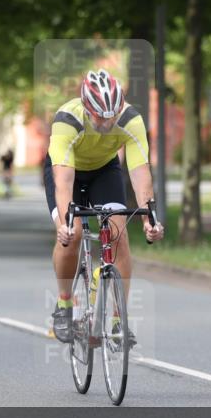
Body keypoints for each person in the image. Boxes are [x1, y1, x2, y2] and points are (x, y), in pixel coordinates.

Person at [45, 69, 164, 343]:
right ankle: (64, 305)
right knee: (71, 234)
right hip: (66, 169)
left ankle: (118, 322)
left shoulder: (131, 119)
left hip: (104, 170)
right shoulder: (68, 119)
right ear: (87, 107)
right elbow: (63, 181)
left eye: (112, 115)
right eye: (100, 116)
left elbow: (139, 171)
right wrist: (64, 224)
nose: (107, 122)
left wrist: (149, 219)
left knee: (118, 234)